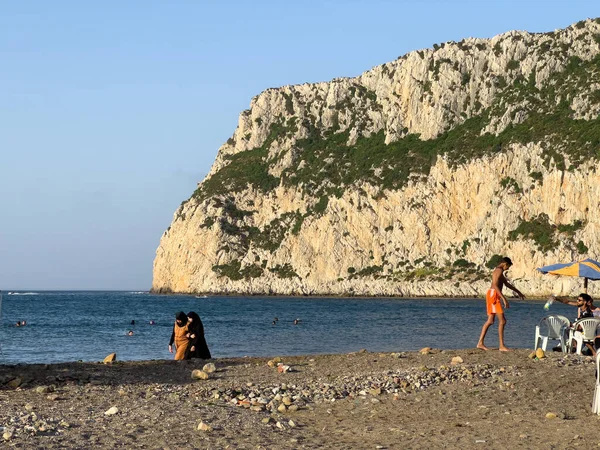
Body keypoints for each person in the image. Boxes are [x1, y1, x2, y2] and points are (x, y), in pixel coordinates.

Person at [477, 256, 525, 352]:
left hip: (492, 295)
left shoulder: (499, 271)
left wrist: (518, 291)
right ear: (505, 264)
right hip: (493, 296)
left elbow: (506, 284)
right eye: (508, 266)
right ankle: (501, 346)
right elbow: (494, 285)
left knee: (490, 321)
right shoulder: (498, 271)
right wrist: (503, 299)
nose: (508, 268)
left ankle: (480, 343)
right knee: (502, 321)